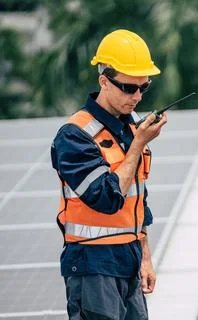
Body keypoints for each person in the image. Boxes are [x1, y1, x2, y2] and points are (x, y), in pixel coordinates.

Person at [50, 29, 167, 319]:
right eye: (129, 88)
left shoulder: (132, 128)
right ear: (104, 81)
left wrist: (145, 257)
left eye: (144, 87)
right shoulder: (75, 135)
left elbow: (137, 200)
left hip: (129, 258)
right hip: (92, 262)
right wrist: (138, 145)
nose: (137, 96)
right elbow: (106, 198)